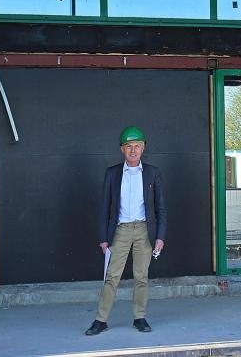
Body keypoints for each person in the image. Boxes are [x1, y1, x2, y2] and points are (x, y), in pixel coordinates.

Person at [85, 126, 167, 336]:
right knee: (111, 276)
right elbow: (105, 206)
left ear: (143, 148)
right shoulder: (112, 173)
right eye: (129, 146)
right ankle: (100, 320)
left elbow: (160, 208)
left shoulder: (152, 172)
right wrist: (103, 238)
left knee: (141, 276)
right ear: (122, 149)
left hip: (144, 230)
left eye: (137, 146)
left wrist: (160, 236)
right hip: (119, 231)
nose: (133, 150)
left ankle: (139, 317)